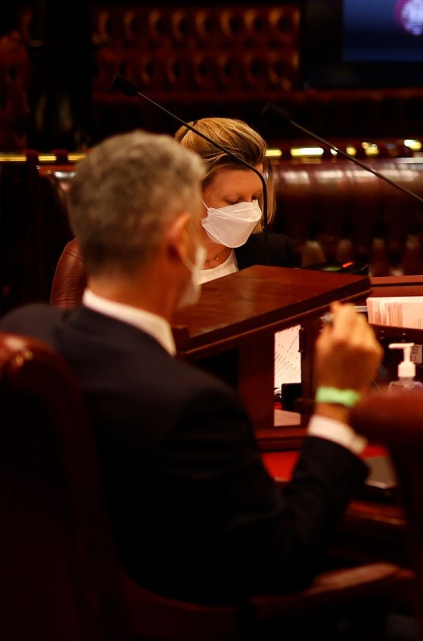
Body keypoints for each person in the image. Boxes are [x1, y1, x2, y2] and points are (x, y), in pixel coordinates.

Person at [0, 133, 384, 605]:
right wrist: (338, 400)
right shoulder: (194, 406)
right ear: (177, 242)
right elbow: (287, 558)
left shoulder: (23, 333)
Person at [174, 117, 300, 283]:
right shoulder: (145, 264)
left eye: (255, 197)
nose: (249, 211)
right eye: (234, 201)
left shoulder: (274, 253)